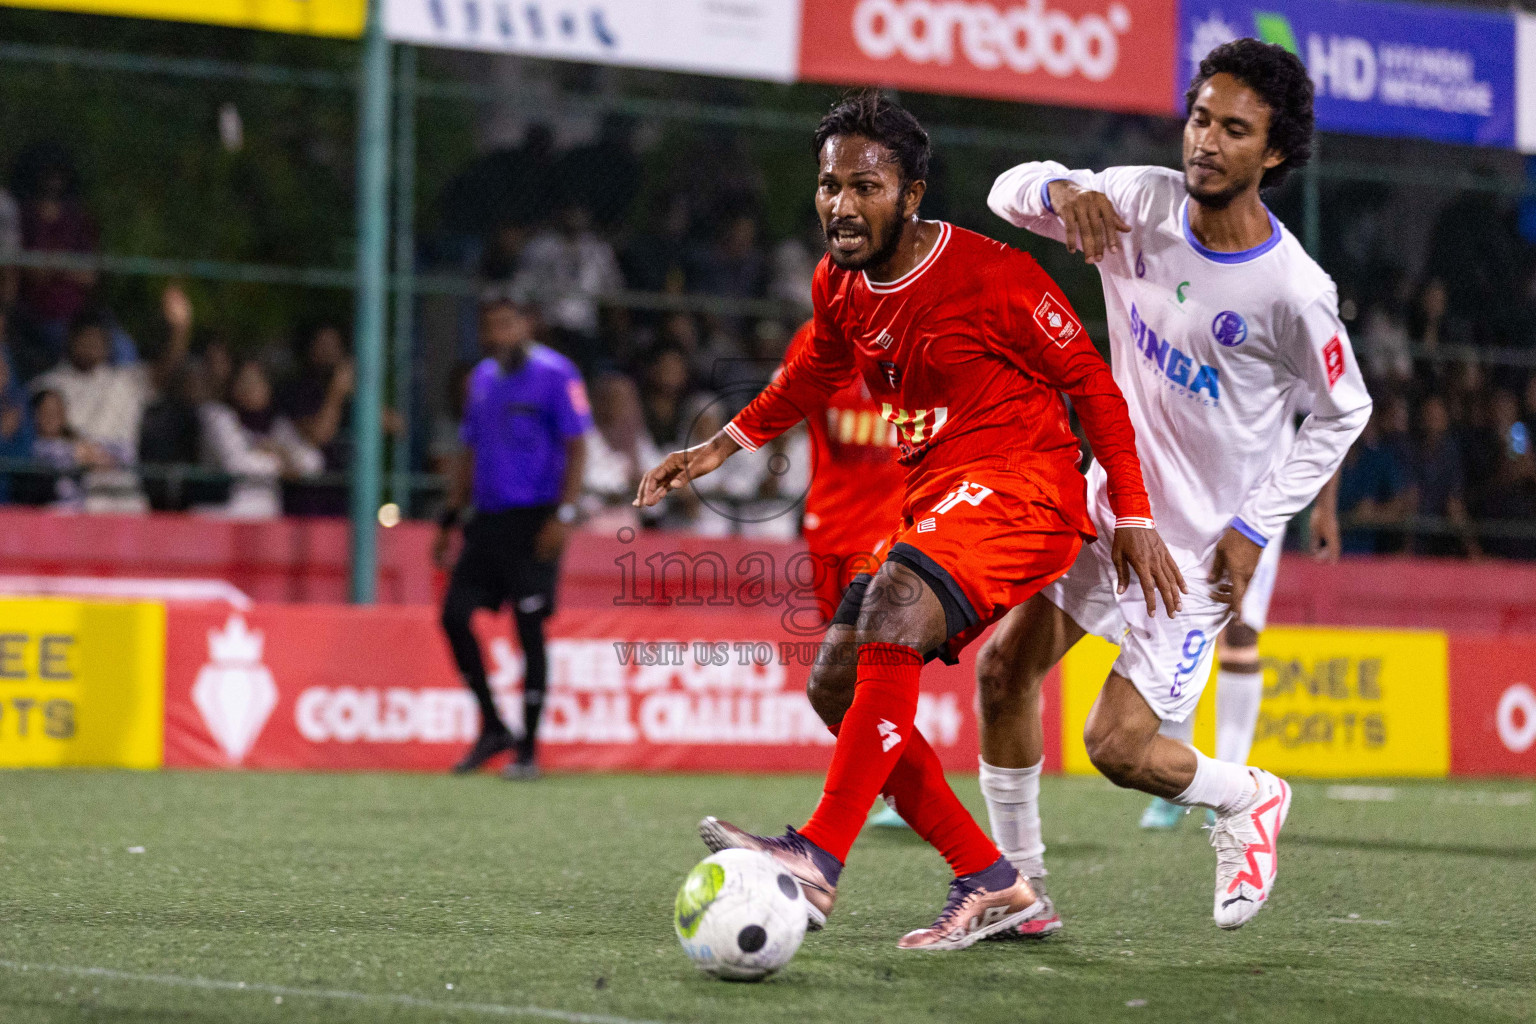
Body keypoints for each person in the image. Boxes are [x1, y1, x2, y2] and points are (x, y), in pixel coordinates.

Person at [635, 91, 1182, 951]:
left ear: (912, 194)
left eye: (866, 186)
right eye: (829, 186)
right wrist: (723, 445)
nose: (842, 206)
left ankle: (817, 856)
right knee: (834, 686)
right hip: (939, 500)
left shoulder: (996, 278)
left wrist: (1137, 516)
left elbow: (1094, 387)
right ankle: (998, 882)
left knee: (891, 605)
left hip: (1026, 489)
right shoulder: (840, 283)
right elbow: (814, 370)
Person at [976, 38, 1371, 934]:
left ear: (1272, 155)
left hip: (1192, 555)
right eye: (1201, 119)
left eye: (1235, 131)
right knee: (1003, 673)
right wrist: (1062, 190)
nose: (1207, 142)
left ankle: (1250, 796)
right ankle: (1020, 894)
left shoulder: (1292, 291)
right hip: (1108, 509)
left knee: (1116, 748)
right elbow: (1007, 190)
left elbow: (1345, 411)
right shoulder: (1140, 200)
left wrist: (1255, 525)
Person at [436, 292, 590, 781]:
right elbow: (469, 452)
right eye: (491, 325)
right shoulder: (481, 379)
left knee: (529, 627)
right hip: (488, 520)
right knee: (453, 614)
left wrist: (564, 514)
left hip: (536, 519)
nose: (499, 334)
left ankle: (528, 746)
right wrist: (448, 518)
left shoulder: (556, 374)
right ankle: (493, 726)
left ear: (528, 323)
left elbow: (578, 446)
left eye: (508, 323)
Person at [1137, 468, 1340, 832]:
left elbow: (1336, 416)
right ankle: (1172, 784)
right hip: (1188, 489)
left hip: (1259, 500)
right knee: (1178, 620)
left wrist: (1325, 506)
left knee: (1241, 630)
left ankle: (1229, 790)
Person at [197, 359, 323, 519]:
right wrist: (285, 465)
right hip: (222, 518)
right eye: (244, 381)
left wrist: (277, 450)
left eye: (257, 381)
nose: (250, 388)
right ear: (232, 386)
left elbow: (314, 463)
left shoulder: (278, 424)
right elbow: (237, 464)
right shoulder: (217, 414)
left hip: (266, 520)